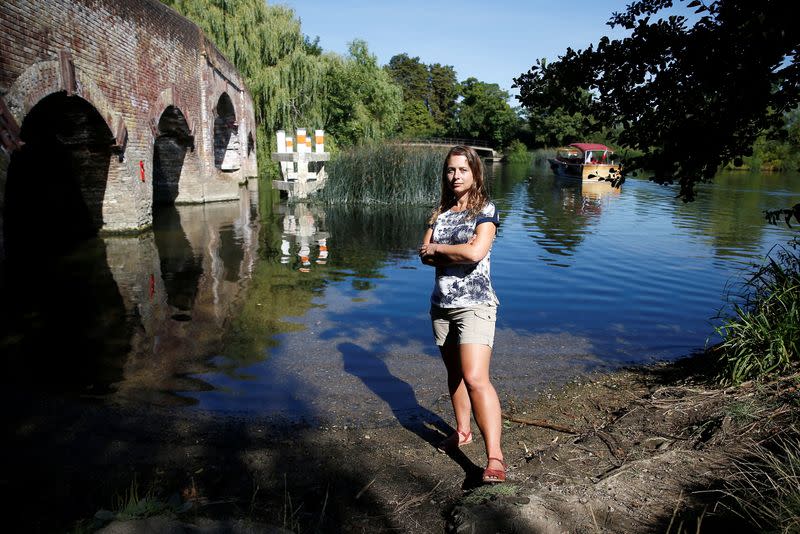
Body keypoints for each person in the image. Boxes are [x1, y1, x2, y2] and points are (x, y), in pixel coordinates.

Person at [418, 145, 506, 484]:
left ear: (475, 173)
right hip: (441, 304)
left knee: (475, 377)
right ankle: (463, 431)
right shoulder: (440, 210)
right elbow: (422, 254)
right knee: (454, 373)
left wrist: (441, 249)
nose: (455, 176)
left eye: (462, 170)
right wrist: (447, 253)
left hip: (475, 304)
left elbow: (475, 252)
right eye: (451, 171)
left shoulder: (486, 209)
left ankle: (495, 457)